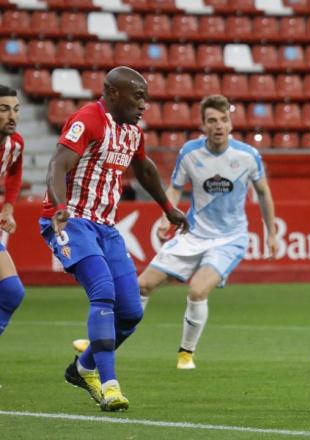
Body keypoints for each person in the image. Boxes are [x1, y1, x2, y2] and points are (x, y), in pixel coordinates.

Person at [74, 95, 278, 370]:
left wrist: (271, 232)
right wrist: (164, 215)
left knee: (197, 290)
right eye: (212, 121)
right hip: (192, 234)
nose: (218, 126)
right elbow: (174, 188)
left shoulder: (247, 156)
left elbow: (264, 192)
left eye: (224, 120)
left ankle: (186, 353)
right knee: (141, 285)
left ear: (231, 124)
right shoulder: (190, 153)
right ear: (203, 125)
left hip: (228, 239)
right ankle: (100, 341)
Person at [40, 66, 188, 412]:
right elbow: (57, 165)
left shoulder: (132, 131)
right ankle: (109, 385)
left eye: (146, 98)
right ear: (113, 93)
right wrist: (60, 207)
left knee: (131, 311)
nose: (144, 105)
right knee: (103, 293)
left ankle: (83, 368)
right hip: (71, 221)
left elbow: (144, 168)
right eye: (138, 97)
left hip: (106, 227)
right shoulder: (87, 119)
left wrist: (168, 207)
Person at [0, 85, 25, 337]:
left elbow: (15, 173)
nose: (12, 116)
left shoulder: (15, 144)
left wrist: (9, 207)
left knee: (12, 291)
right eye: (4, 109)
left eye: (16, 110)